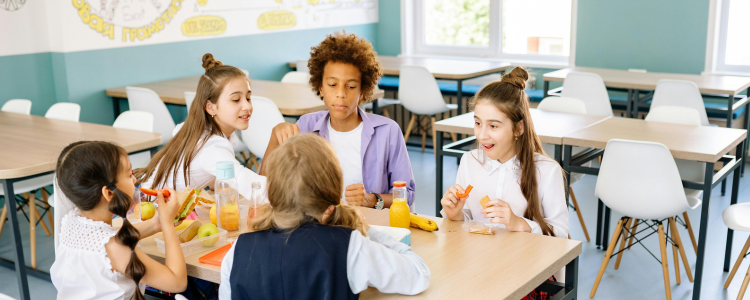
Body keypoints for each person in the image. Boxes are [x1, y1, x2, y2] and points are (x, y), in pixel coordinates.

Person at [220, 134, 430, 299]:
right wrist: (368, 231)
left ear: (272, 198)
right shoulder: (349, 247)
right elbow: (418, 274)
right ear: (330, 207)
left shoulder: (237, 250)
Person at [264, 32, 415, 209]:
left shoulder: (388, 131)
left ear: (362, 92)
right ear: (320, 88)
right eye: (332, 85)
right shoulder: (305, 126)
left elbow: (407, 194)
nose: (341, 93)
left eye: (350, 86)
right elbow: (268, 185)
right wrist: (275, 137)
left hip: (368, 224)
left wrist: (373, 199)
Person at [440, 67, 568, 238]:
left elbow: (561, 235)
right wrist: (455, 214)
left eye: (493, 126)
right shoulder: (469, 161)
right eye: (478, 123)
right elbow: (468, 220)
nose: (482, 135)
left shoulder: (547, 171)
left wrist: (518, 223)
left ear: (518, 128)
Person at [51, 141, 187, 300]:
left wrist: (155, 223)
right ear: (109, 193)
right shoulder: (118, 250)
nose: (135, 180)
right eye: (129, 175)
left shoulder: (70, 221)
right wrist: (167, 224)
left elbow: (107, 240)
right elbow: (177, 282)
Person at [137, 53, 265, 199]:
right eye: (236, 100)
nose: (247, 106)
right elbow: (255, 189)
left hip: (144, 200)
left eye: (248, 97)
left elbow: (214, 180)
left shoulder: (195, 130)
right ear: (210, 107)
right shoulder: (213, 146)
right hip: (149, 210)